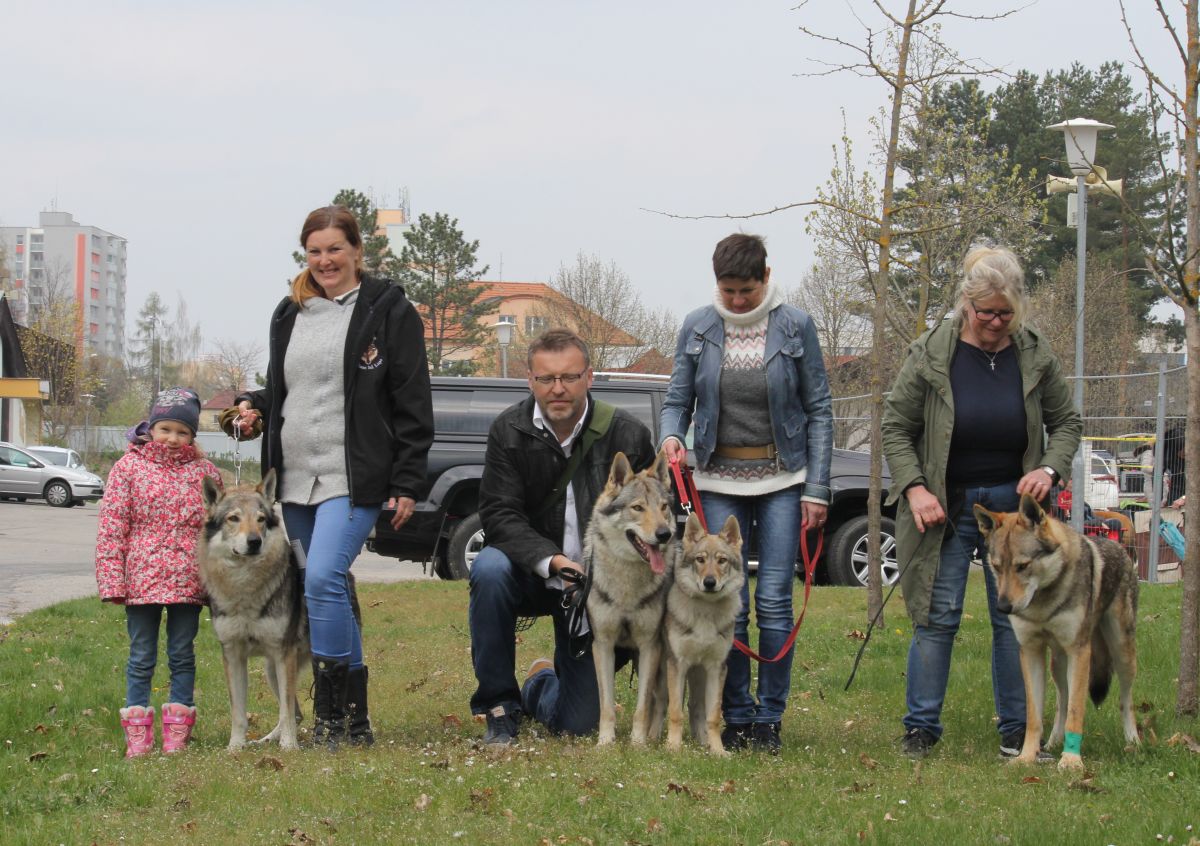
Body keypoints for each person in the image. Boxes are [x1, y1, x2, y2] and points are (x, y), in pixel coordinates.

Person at [231, 204, 433, 748]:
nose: (325, 260)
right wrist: (253, 407)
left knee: (321, 578)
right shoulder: (288, 313)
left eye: (335, 249)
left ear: (356, 251)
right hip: (294, 480)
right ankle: (358, 721)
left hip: (355, 476)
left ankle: (327, 719)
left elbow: (412, 402)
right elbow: (284, 390)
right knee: (331, 590)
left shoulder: (389, 311)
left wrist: (408, 481)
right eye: (314, 251)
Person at [882, 245, 1082, 760]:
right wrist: (915, 488)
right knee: (936, 612)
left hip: (1016, 510)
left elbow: (1067, 423)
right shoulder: (931, 352)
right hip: (945, 508)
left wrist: (1049, 468)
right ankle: (921, 728)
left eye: (1006, 313)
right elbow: (895, 428)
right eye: (986, 312)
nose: (996, 323)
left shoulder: (1034, 352)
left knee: (1013, 618)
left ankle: (1020, 730)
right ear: (965, 305)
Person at [659, 233, 833, 754]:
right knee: (727, 603)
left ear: (766, 277)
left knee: (775, 600)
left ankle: (769, 720)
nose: (737, 300)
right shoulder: (697, 327)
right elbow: (676, 400)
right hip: (717, 479)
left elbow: (820, 409)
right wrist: (671, 436)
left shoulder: (796, 325)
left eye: (747, 290)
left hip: (783, 479)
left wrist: (817, 489)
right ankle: (732, 716)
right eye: (728, 290)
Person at [468, 329, 655, 744]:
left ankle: (539, 684)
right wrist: (551, 561)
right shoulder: (508, 430)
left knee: (578, 725)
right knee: (489, 567)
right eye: (546, 378)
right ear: (530, 380)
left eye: (569, 377)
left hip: (597, 591)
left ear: (589, 378)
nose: (558, 389)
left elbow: (649, 521)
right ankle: (500, 706)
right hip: (532, 575)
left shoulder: (628, 434)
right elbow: (499, 513)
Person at [95, 387, 223, 758]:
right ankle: (138, 733)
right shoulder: (128, 468)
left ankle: (177, 732)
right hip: (141, 581)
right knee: (141, 656)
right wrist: (112, 579)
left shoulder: (205, 472)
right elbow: (113, 526)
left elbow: (217, 528)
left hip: (188, 580)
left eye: (182, 432)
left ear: (192, 437)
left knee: (182, 653)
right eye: (166, 429)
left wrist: (218, 582)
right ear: (150, 429)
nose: (173, 439)